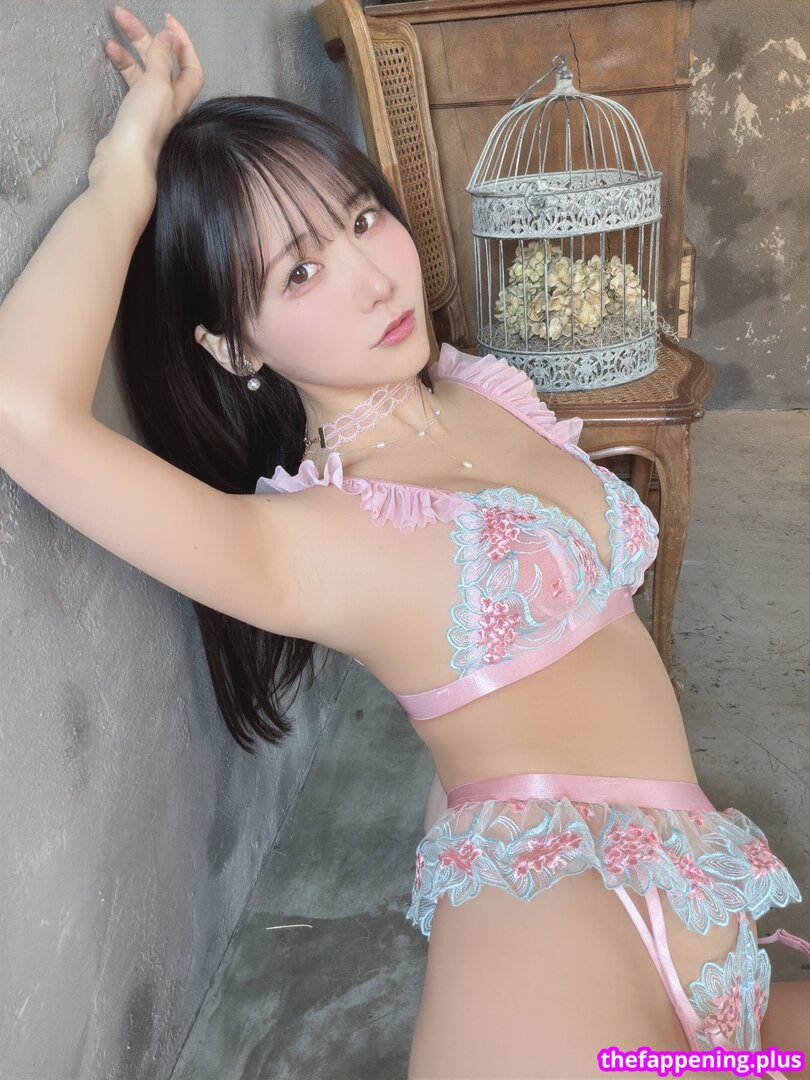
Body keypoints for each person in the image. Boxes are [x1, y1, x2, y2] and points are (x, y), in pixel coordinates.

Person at [0, 8, 808, 1078]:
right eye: (298, 274)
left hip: (697, 889)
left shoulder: (477, 388)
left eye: (360, 219)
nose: (375, 277)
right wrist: (127, 165)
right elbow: (25, 413)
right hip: (545, 933)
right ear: (234, 347)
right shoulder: (312, 541)